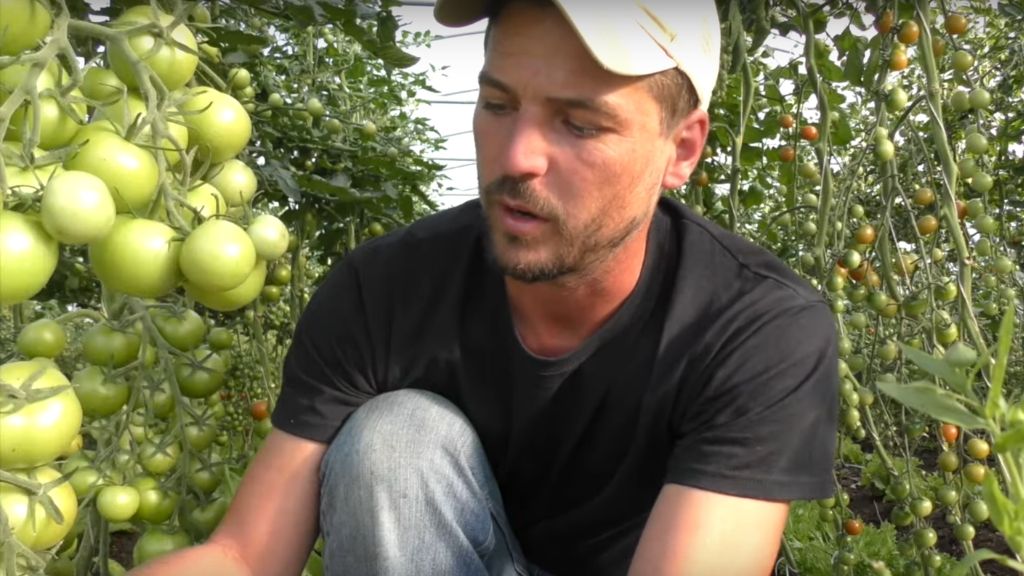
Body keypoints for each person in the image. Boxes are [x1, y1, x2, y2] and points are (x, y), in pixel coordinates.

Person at [129, 0, 838, 574]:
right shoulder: (385, 290)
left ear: (681, 149)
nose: (519, 156)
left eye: (579, 124)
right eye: (499, 105)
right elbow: (246, 556)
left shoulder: (756, 326)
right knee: (395, 443)